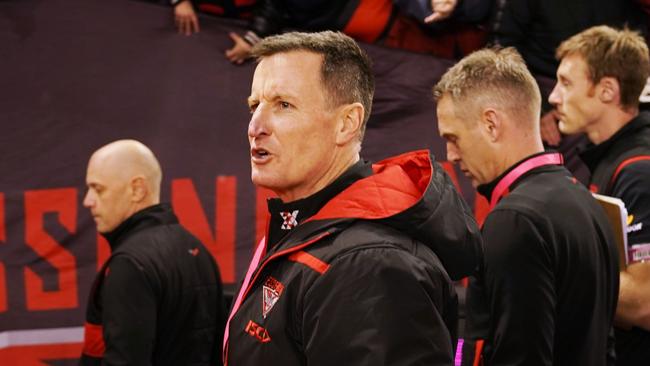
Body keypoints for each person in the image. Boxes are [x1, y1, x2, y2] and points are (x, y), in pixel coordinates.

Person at [223, 31, 481, 365]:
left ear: (347, 123)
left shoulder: (369, 264)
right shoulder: (312, 233)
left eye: (283, 105)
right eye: (254, 106)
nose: (255, 125)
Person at [434, 47, 619, 365]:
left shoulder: (514, 220)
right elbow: (605, 346)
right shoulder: (585, 201)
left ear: (491, 124)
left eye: (454, 138)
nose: (451, 154)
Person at [549, 25, 650, 365]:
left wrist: (552, 269)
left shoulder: (639, 170)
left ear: (607, 90)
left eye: (566, 83)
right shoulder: (610, 157)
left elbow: (642, 304)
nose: (553, 97)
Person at [79, 139, 226, 366]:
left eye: (98, 189)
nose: (87, 201)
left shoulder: (129, 264)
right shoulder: (198, 251)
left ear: (137, 189)